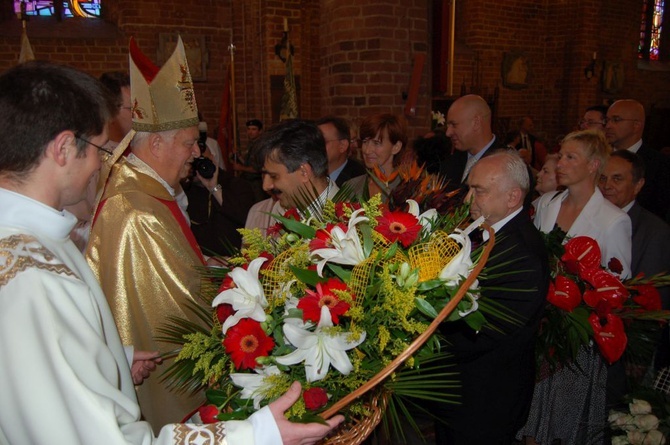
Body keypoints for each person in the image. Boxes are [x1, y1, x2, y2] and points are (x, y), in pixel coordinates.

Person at [0, 60, 342, 445]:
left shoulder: (34, 246)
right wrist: (257, 434)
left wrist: (113, 357)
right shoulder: (35, 280)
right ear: (63, 148)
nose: (104, 161)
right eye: (99, 147)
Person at [86, 37, 216, 429]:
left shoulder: (148, 193)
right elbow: (174, 307)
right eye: (190, 143)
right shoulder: (135, 209)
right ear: (157, 142)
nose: (197, 153)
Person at [520, 130, 632, 445]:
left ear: (594, 165)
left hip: (576, 337)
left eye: (571, 158)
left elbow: (618, 285)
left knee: (563, 424)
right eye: (562, 155)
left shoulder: (613, 220)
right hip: (541, 324)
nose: (561, 163)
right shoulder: (546, 204)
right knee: (532, 417)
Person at [435, 150, 549, 444]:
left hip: (486, 401)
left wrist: (420, 338)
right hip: (463, 393)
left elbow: (482, 331)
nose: (466, 199)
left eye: (479, 191)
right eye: (469, 188)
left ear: (512, 197)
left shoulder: (522, 254)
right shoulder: (485, 232)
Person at [245, 119, 338, 233]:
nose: (266, 186)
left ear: (304, 172)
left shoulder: (343, 220)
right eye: (264, 175)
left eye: (274, 176)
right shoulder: (280, 208)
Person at [184, 135, 255, 254]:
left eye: (202, 162)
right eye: (193, 163)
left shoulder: (237, 185)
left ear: (213, 159)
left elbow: (247, 220)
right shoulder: (183, 189)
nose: (197, 168)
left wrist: (214, 188)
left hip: (230, 261)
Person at [605, 99, 670, 220]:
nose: (608, 126)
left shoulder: (660, 165)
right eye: (607, 120)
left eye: (616, 120)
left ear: (637, 125)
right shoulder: (600, 158)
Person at [343, 113, 407, 201]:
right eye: (365, 142)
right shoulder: (351, 187)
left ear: (396, 147)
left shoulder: (407, 187)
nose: (367, 150)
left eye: (376, 143)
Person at [440, 94, 500, 187]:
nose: (448, 133)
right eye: (448, 126)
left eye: (454, 125)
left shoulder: (507, 164)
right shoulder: (451, 162)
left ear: (476, 123)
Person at [316, 115, 366, 187]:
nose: (316, 146)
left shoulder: (359, 178)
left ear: (342, 145)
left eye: (323, 141)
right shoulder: (308, 174)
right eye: (315, 142)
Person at [233, 118, 266, 202]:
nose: (250, 132)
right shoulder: (251, 144)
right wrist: (238, 156)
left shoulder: (260, 146)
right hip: (249, 182)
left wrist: (240, 168)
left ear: (260, 131)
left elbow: (258, 168)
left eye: (254, 129)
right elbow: (248, 163)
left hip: (257, 183)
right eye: (248, 129)